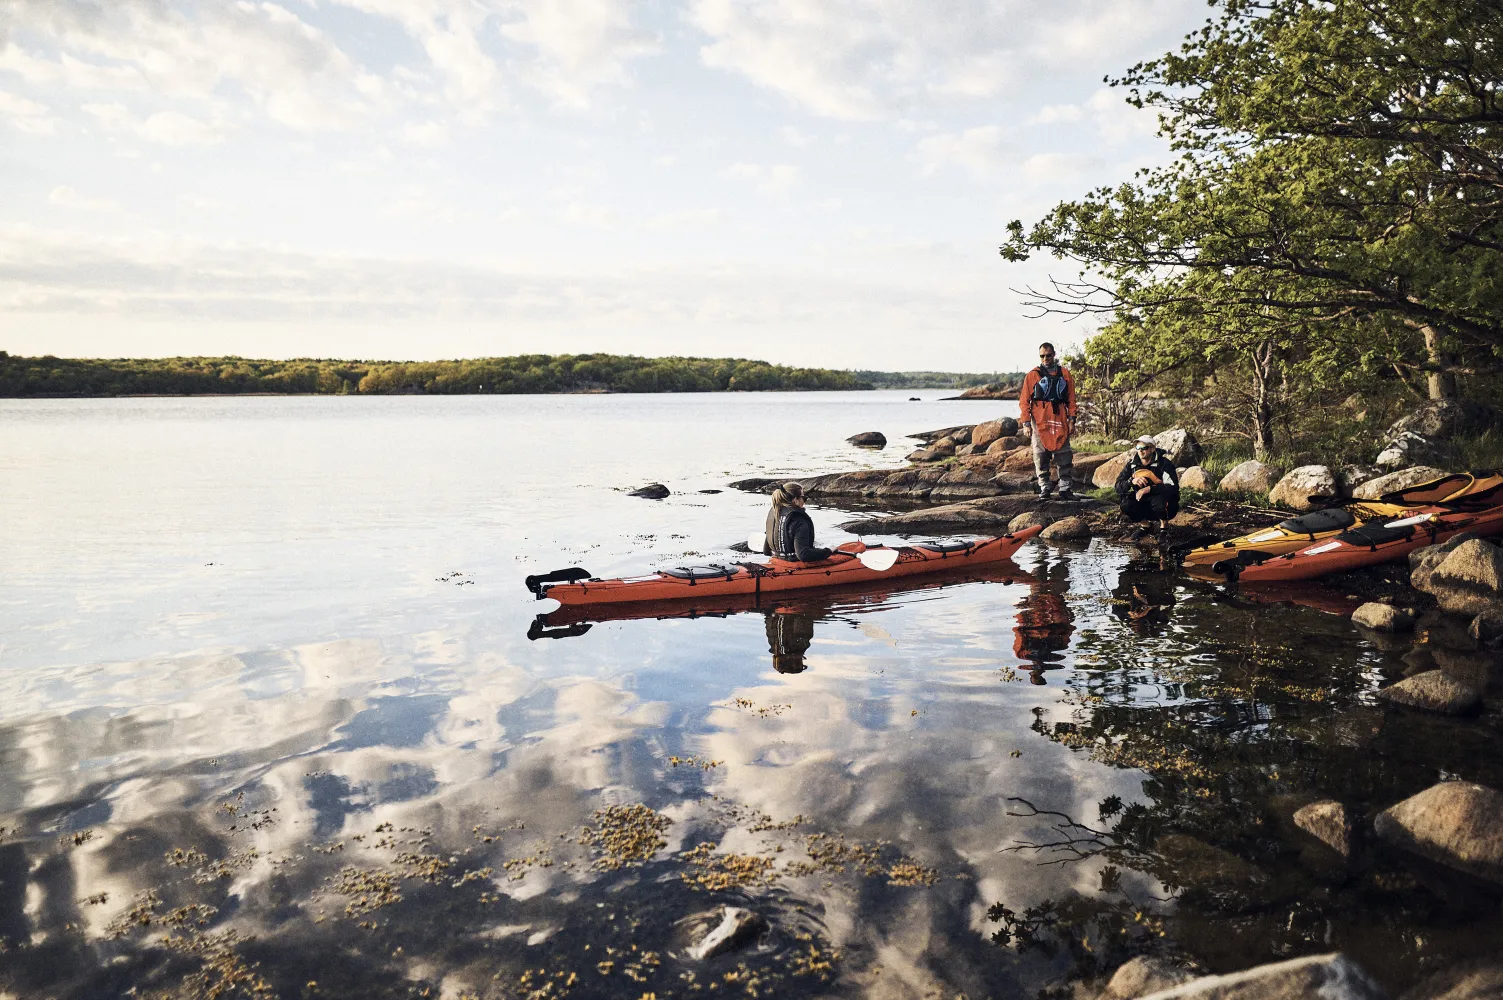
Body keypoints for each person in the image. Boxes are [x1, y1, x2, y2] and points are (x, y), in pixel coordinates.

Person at [1019, 342, 1078, 501]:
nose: (1045, 358)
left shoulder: (1065, 373)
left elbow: (1071, 399)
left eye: (1048, 355)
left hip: (1059, 418)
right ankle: (1044, 486)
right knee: (1040, 454)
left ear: (1054, 355)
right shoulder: (1032, 375)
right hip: (1039, 420)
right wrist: (1025, 423)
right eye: (1042, 356)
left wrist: (1072, 420)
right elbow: (1024, 401)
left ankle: (1065, 487)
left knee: (1064, 453)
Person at [1114, 435, 1180, 537]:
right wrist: (1131, 481)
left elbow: (1173, 488)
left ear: (1152, 449)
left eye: (1144, 448)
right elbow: (1118, 486)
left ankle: (1164, 527)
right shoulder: (1131, 465)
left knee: (1159, 501)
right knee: (1125, 504)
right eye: (1138, 448)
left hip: (1164, 504)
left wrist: (1149, 489)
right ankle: (1145, 526)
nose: (1140, 451)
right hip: (1143, 502)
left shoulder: (1164, 464)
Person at [764, 482, 832, 562]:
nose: (805, 502)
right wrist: (828, 551)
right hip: (795, 565)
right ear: (795, 500)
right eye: (804, 498)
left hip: (777, 561)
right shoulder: (799, 520)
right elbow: (803, 555)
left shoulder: (775, 512)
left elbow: (766, 551)